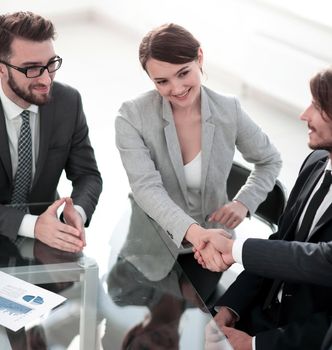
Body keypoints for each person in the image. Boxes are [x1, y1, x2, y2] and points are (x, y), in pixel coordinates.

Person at [115, 23, 282, 300]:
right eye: (162, 81)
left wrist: (245, 202)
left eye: (183, 73)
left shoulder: (229, 110)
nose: (177, 89)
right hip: (149, 245)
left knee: (183, 326)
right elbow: (146, 189)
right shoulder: (132, 117)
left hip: (208, 251)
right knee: (122, 331)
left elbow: (270, 160)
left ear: (200, 59)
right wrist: (196, 234)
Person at [195, 68, 332, 349]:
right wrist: (229, 309)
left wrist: (256, 344)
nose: (304, 115)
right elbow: (281, 244)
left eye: (318, 107)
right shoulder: (316, 163)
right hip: (258, 317)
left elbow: (319, 261)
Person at [0, 11, 102, 253]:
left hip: (44, 242)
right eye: (32, 69)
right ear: (2, 69)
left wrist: (76, 211)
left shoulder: (68, 101)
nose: (47, 79)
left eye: (51, 64)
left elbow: (88, 175)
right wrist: (32, 226)